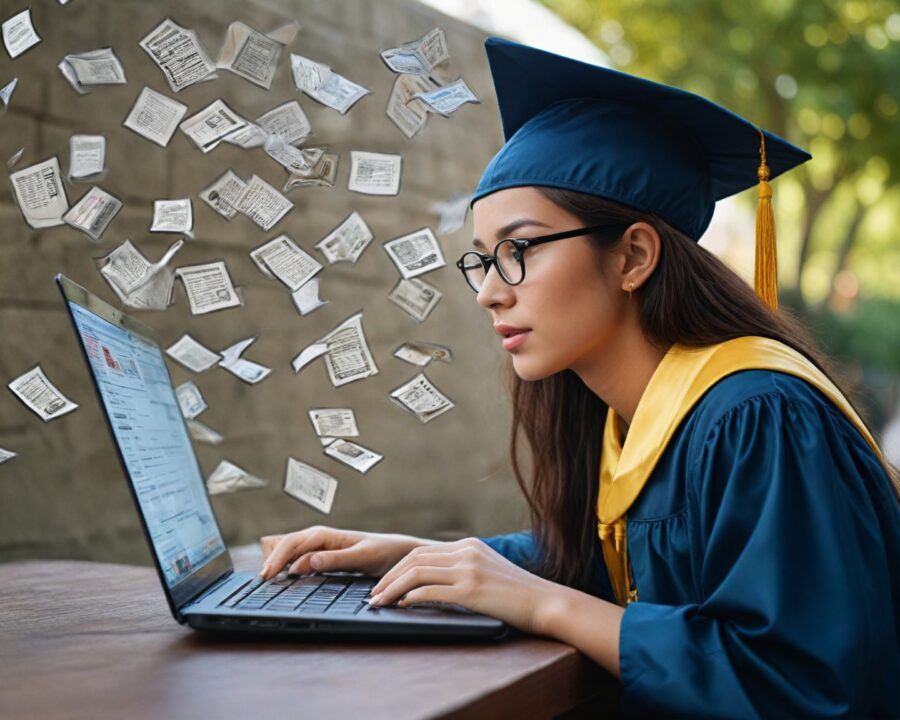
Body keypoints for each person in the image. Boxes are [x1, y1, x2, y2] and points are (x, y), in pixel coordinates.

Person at [260, 38, 900, 718]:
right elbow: (609, 563)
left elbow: (799, 687)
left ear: (633, 256)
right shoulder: (627, 418)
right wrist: (431, 555)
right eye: (482, 260)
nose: (489, 293)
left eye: (520, 251)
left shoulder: (759, 416)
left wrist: (545, 603)